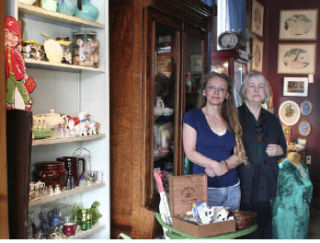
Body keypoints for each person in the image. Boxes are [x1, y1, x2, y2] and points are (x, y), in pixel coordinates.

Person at [183, 72, 247, 212]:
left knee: (230, 232)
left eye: (222, 89)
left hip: (232, 189)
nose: (216, 92)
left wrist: (221, 166)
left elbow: (240, 154)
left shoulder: (232, 119)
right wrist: (213, 165)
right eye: (212, 87)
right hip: (204, 189)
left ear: (227, 95)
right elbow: (190, 152)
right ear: (205, 92)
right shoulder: (193, 117)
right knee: (206, 232)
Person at [237, 71, 287, 239]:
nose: (256, 90)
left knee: (264, 223)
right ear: (244, 91)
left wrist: (280, 150)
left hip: (267, 179)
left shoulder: (272, 119)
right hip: (242, 179)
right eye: (251, 86)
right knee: (242, 224)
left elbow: (284, 148)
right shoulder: (233, 116)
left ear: (265, 92)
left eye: (261, 86)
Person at [272, 152, 313, 239]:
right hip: (288, 213)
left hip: (303, 211)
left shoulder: (303, 166)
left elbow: (308, 189)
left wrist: (306, 206)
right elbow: (276, 194)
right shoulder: (284, 169)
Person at [5, 16, 32, 110]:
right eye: (7, 34)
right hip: (10, 74)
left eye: (14, 36)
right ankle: (9, 103)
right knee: (10, 89)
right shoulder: (7, 50)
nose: (11, 39)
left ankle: (27, 101)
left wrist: (24, 73)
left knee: (22, 89)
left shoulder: (16, 52)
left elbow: (21, 62)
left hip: (18, 74)